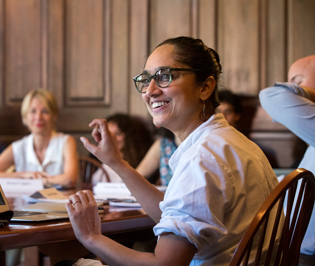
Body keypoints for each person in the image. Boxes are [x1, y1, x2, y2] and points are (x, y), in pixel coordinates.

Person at [63, 36, 279, 265]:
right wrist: (117, 162)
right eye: (146, 80)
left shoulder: (203, 157)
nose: (150, 91)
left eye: (165, 77)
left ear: (205, 87)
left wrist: (91, 237)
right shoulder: (230, 142)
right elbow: (173, 212)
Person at [259, 54, 315, 259]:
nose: (291, 88)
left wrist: (306, 93)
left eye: (297, 82)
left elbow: (272, 95)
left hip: (306, 257)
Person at [0, 89, 79, 189]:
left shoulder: (67, 142)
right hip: (26, 203)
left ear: (54, 116)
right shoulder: (18, 147)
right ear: (25, 117)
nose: (38, 117)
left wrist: (38, 181)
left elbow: (70, 180)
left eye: (45, 111)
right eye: (33, 111)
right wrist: (22, 175)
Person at [92, 113, 154, 184]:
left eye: (117, 133)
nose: (112, 138)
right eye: (108, 134)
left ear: (128, 136)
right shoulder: (95, 157)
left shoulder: (141, 160)